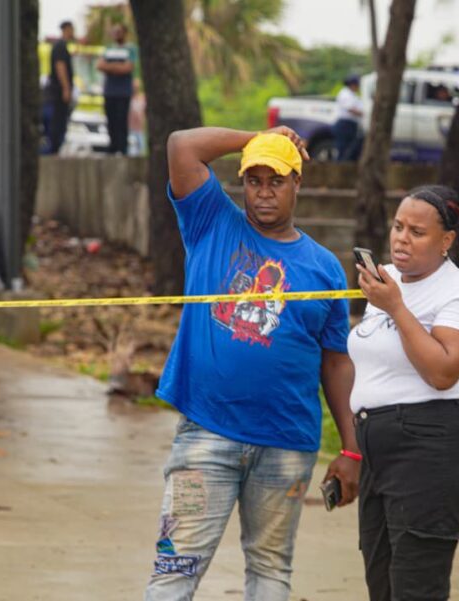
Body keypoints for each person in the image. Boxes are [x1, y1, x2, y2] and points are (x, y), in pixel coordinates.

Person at [145, 126, 360, 600]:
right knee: (173, 568)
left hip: (286, 445)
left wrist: (352, 448)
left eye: (276, 180)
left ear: (297, 183)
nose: (263, 192)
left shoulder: (324, 268)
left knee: (270, 571)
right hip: (206, 436)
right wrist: (259, 136)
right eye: (254, 180)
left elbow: (336, 363)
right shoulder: (211, 223)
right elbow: (181, 144)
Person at [349, 185, 459, 601]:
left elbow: (443, 372)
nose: (401, 239)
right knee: (382, 584)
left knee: (416, 587)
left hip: (429, 444)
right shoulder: (385, 281)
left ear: (446, 241)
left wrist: (396, 308)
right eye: (397, 226)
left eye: (417, 231)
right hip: (378, 446)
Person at [96, 23, 137, 155]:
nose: (116, 34)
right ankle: (112, 146)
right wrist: (118, 67)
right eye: (114, 32)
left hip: (123, 92)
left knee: (122, 120)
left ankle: (122, 147)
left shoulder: (131, 49)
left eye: (119, 31)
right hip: (110, 91)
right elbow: (100, 65)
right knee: (111, 120)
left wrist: (110, 66)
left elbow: (128, 68)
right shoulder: (108, 48)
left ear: (125, 33)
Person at [43, 21, 76, 155]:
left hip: (57, 92)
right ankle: (53, 149)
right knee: (58, 123)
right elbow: (60, 67)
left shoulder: (61, 46)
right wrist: (66, 88)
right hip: (57, 93)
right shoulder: (60, 46)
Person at [332, 74, 364, 161]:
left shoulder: (354, 95)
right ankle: (339, 167)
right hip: (344, 124)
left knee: (350, 149)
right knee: (342, 148)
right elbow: (350, 109)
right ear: (352, 84)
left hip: (351, 125)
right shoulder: (345, 93)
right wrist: (364, 114)